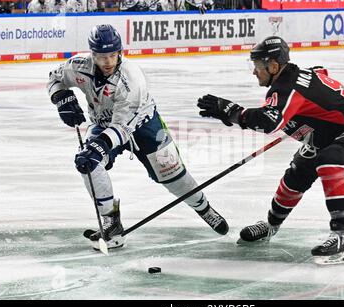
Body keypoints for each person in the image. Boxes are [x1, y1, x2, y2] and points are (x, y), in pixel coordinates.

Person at [197, 36, 344, 265]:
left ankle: (341, 236)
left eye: (257, 66)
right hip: (326, 134)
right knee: (297, 172)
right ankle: (271, 226)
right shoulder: (291, 78)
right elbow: (320, 73)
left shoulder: (287, 87)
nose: (254, 72)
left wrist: (234, 112)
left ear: (274, 65)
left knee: (329, 160)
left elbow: (269, 122)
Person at [47, 24, 228, 250]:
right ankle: (111, 225)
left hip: (144, 125)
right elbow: (54, 77)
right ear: (93, 54)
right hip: (103, 125)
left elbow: (123, 126)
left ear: (120, 51)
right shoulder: (78, 66)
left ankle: (204, 209)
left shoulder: (131, 78)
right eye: (102, 56)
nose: (108, 62)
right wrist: (61, 98)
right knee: (88, 163)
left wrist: (101, 144)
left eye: (113, 55)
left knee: (174, 177)